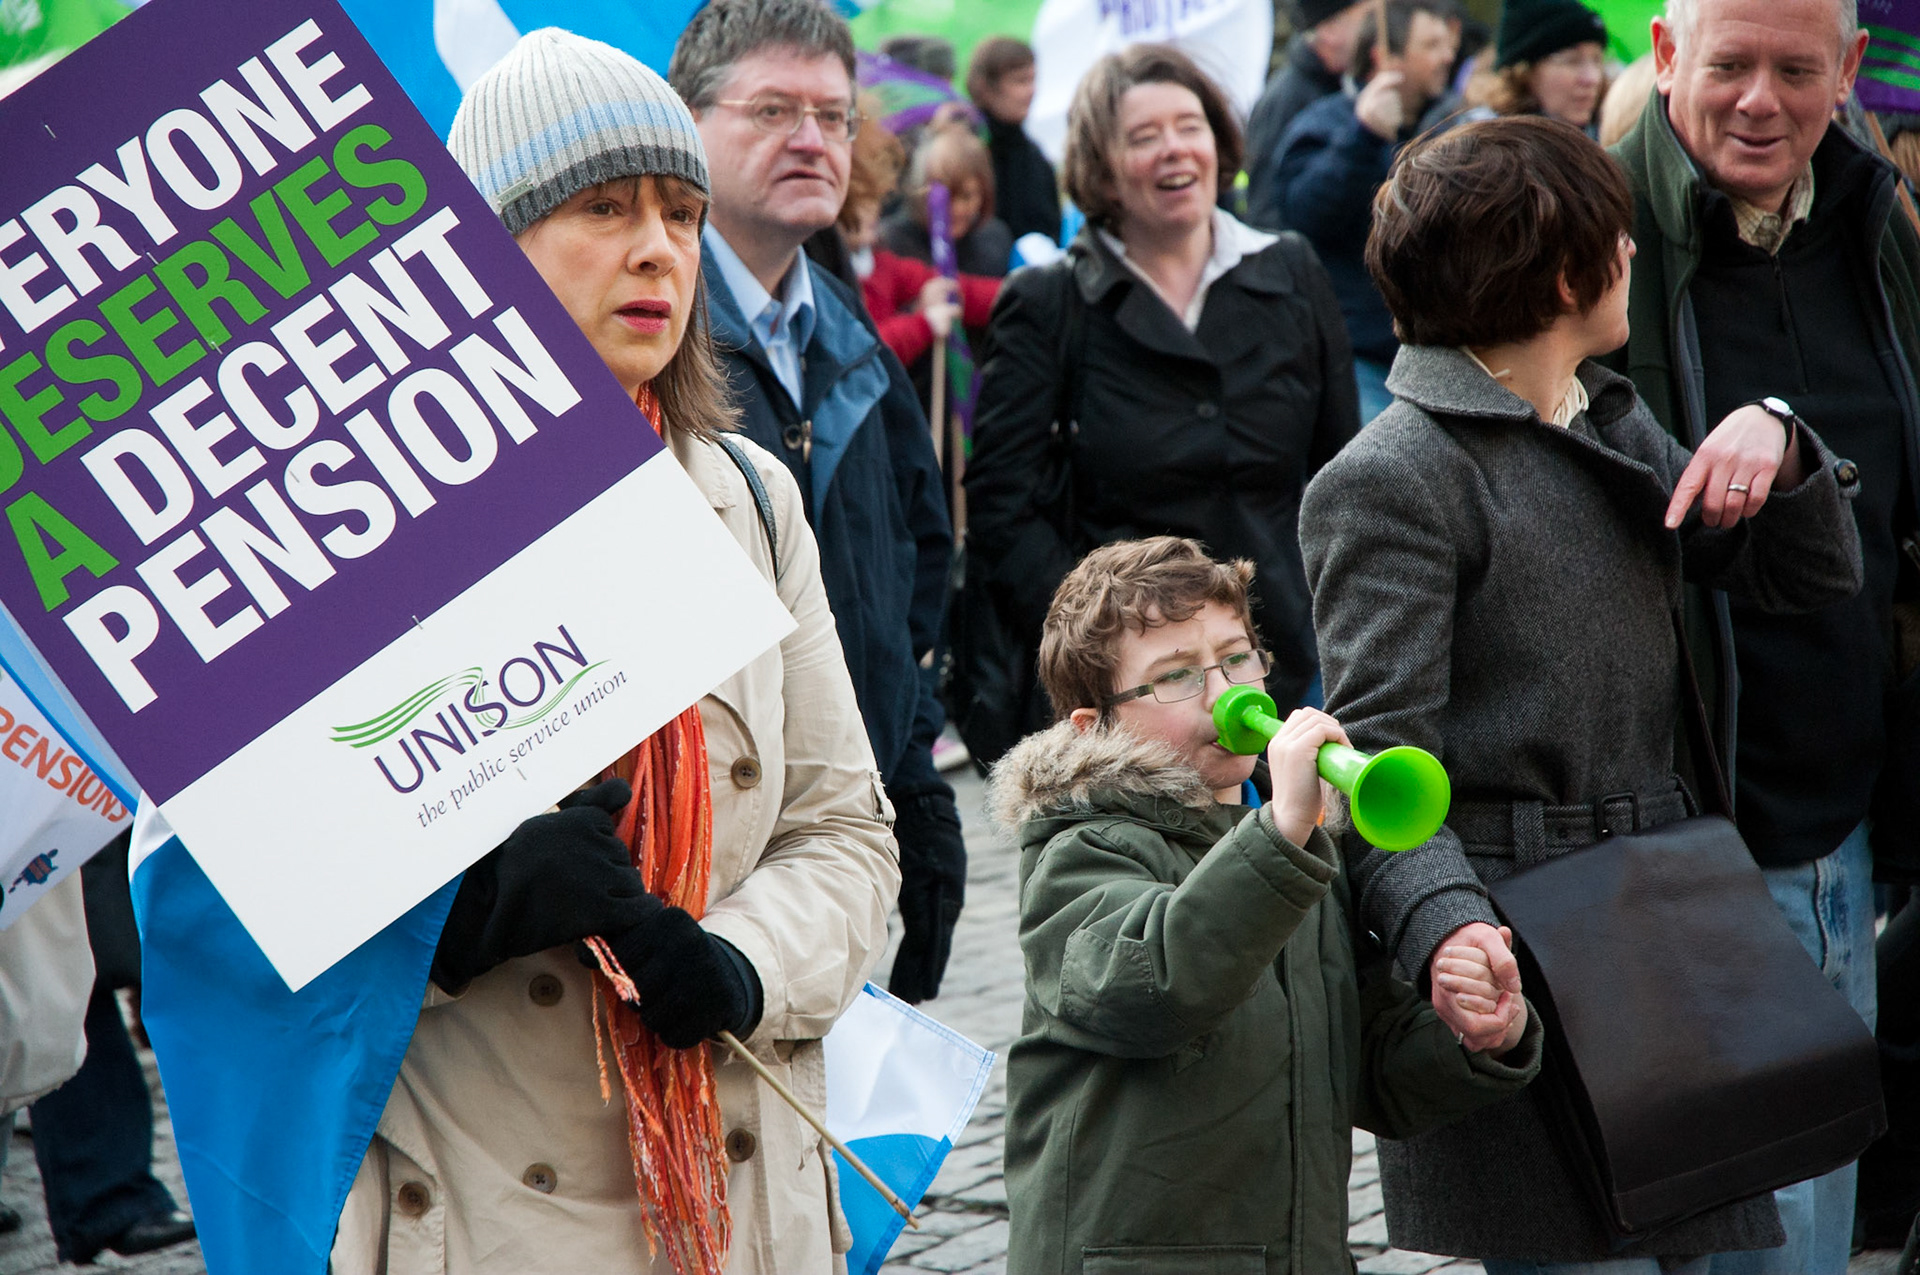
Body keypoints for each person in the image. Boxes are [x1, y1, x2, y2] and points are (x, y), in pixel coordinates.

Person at [329, 30, 901, 1272]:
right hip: (491, 1207)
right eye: (603, 208)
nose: (659, 249)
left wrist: (737, 966)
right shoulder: (351, 537)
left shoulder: (749, 498)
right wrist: (461, 905)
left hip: (740, 1204)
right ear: (484, 250)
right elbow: (250, 912)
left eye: (681, 212)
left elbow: (847, 832)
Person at [1300, 115, 1865, 1272]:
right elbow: (1374, 768)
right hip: (1525, 950)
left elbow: (1798, 575)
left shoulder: (1603, 414)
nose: (1635, 257)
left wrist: (1781, 438)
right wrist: (1449, 930)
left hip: (1665, 913)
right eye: (1618, 240)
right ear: (1567, 274)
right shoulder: (1393, 477)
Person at [994, 535, 1543, 1274]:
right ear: (1097, 725)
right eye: (1176, 678)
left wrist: (1471, 1033)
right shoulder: (1081, 849)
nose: (1227, 696)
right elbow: (1151, 985)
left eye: (1235, 658)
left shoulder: (1294, 848)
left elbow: (1366, 1066)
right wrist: (1283, 832)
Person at [1608, 0, 1916, 1267]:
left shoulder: (1873, 223)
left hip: (1837, 805)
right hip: (1671, 830)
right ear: (1669, 56)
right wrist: (1769, 436)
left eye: (1797, 69)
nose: (1761, 101)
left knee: (1807, 1219)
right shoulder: (1591, 227)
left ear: (1846, 72)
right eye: (1729, 64)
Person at [669, 0, 964, 1005]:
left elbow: (914, 561)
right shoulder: (643, 334)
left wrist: (909, 767)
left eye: (834, 117)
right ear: (687, 122)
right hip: (699, 852)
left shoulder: (842, 329)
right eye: (774, 110)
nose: (811, 140)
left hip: (841, 827)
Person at [963, 44, 1358, 767]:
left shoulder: (1291, 269)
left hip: (1286, 673)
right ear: (1101, 166)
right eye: (1144, 136)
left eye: (1190, 125)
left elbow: (1339, 474)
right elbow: (1000, 509)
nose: (1174, 149)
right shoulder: (1050, 301)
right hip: (1136, 710)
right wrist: (1108, 650)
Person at [1264, 0, 1461, 421]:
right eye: (1430, 44)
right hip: (1361, 358)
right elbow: (1304, 216)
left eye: (1446, 43)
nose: (1447, 55)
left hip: (1440, 355)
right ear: (1385, 57)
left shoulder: (1448, 128)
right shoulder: (1323, 126)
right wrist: (1364, 137)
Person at [838, 112, 1000, 372]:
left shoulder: (882, 263)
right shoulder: (829, 275)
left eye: (873, 199)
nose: (872, 211)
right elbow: (865, 352)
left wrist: (1021, 293)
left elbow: (956, 289)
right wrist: (923, 322)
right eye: (858, 201)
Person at [1244, 0, 1373, 222]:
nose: (1379, 30)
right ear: (1330, 30)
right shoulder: (1286, 99)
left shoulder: (1349, 84)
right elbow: (1264, 208)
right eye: (1369, 17)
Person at [879, 122, 1015, 279]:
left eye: (967, 196)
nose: (956, 209)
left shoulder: (995, 239)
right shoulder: (892, 243)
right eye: (946, 196)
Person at [1460, 0, 1608, 133]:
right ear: (1523, 72)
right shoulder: (1480, 143)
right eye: (1571, 61)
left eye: (1597, 60)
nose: (1592, 78)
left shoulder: (1610, 138)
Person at [966, 37, 1061, 245]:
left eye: (1033, 80)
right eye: (1020, 81)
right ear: (985, 87)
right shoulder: (967, 151)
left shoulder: (1035, 155)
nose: (1031, 91)